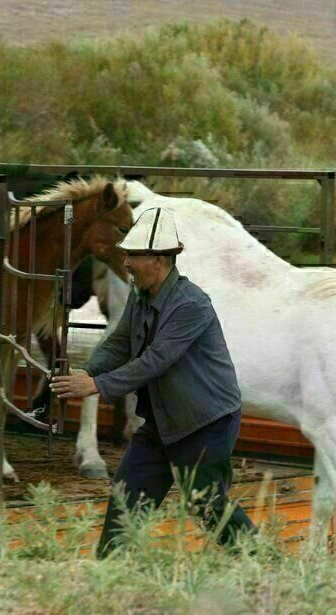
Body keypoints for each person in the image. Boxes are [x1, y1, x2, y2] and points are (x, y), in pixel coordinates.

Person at [50, 206, 256, 558]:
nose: (126, 263)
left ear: (158, 260)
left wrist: (98, 387)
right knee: (127, 497)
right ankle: (109, 571)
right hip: (163, 421)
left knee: (206, 504)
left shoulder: (192, 304)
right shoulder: (140, 295)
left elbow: (155, 361)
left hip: (205, 423)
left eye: (133, 256)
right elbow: (119, 342)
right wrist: (89, 372)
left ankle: (259, 561)